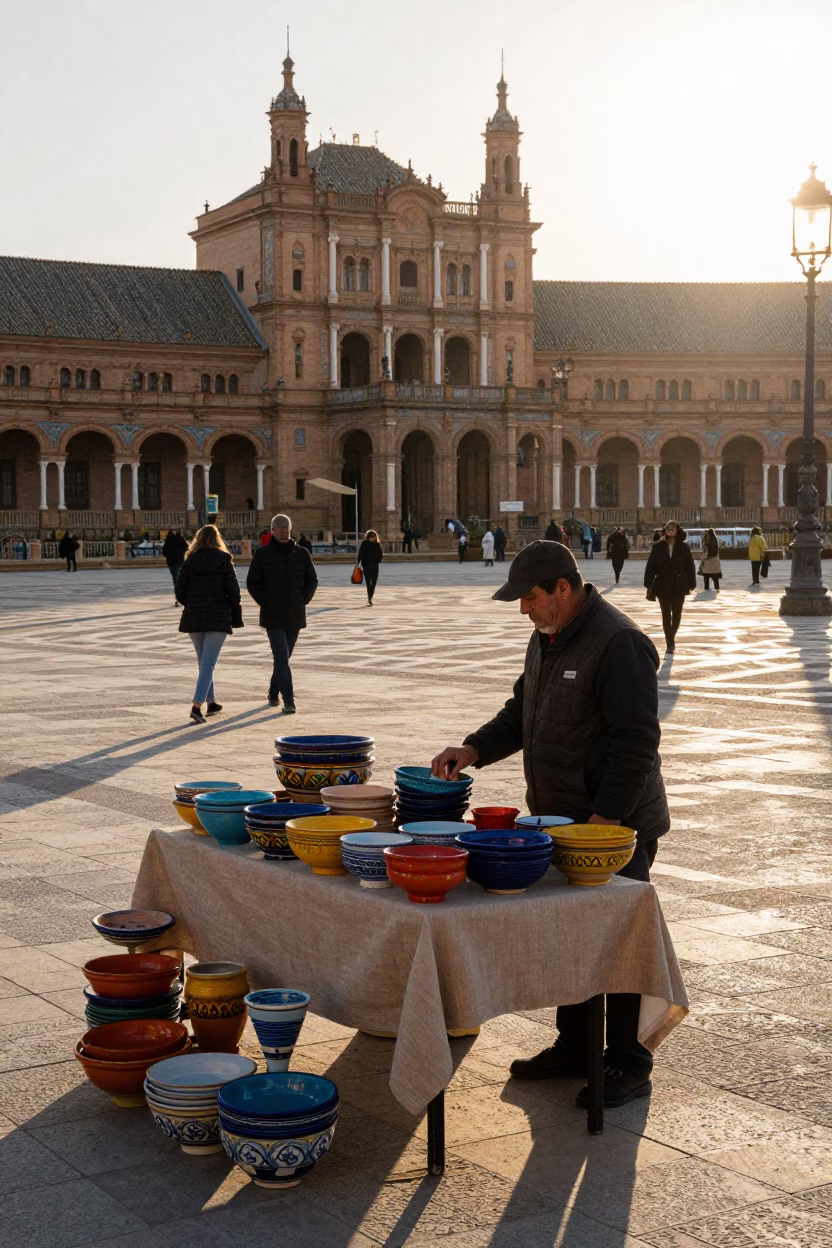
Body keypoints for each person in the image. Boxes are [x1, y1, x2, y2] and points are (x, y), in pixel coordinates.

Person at [431, 541, 669, 1108]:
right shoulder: (548, 638)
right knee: (576, 936)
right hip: (564, 822)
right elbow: (523, 712)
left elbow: (636, 743)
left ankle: (630, 1063)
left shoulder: (620, 643)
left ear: (563, 589)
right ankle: (575, 1046)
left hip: (616, 827)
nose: (523, 610)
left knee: (618, 941)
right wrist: (473, 749)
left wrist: (605, 823)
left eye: (530, 598)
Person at [246, 512, 318, 714]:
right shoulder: (263, 554)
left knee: (284, 657)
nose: (284, 531)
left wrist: (304, 599)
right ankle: (289, 700)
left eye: (286, 527)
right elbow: (252, 583)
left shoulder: (301, 553)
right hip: (273, 615)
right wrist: (265, 602)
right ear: (273, 531)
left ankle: (272, 692)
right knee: (280, 654)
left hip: (294, 614)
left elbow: (312, 579)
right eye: (279, 528)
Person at [174, 525, 243, 724]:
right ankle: (197, 706)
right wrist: (232, 611)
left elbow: (179, 591)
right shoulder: (224, 560)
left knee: (203, 662)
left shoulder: (189, 561)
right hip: (217, 615)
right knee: (207, 664)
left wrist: (193, 602)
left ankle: (211, 702)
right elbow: (234, 590)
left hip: (194, 616)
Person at [644, 520, 696, 653]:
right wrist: (648, 582)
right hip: (663, 584)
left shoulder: (684, 547)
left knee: (677, 614)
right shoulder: (658, 547)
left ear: (677, 530)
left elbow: (690, 565)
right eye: (668, 528)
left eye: (673, 528)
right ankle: (670, 643)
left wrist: (691, 582)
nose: (670, 530)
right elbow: (651, 565)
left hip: (679, 584)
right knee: (666, 615)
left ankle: (671, 635)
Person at [357, 529, 384, 606]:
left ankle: (370, 597)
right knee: (368, 583)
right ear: (368, 537)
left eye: (374, 536)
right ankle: (369, 598)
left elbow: (380, 554)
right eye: (371, 536)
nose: (372, 538)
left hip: (375, 566)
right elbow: (360, 553)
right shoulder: (364, 544)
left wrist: (378, 560)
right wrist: (358, 561)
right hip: (366, 565)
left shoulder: (377, 544)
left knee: (374, 583)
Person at [162, 529, 188, 595]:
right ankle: (181, 592)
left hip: (171, 562)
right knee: (180, 577)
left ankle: (177, 593)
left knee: (175, 578)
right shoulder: (181, 539)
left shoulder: (168, 540)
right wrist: (182, 553)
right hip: (179, 560)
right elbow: (187, 547)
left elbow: (164, 552)